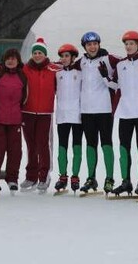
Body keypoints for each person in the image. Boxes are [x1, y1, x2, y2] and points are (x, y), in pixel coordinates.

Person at [103, 31, 138, 196]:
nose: (128, 46)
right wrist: (105, 78)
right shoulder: (120, 65)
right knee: (124, 148)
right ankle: (126, 181)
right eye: (126, 44)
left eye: (132, 43)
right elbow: (115, 85)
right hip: (124, 112)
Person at [78, 31, 119, 194]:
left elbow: (128, 61)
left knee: (106, 143)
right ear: (85, 47)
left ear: (99, 44)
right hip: (87, 110)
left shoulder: (107, 59)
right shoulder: (81, 62)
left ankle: (109, 178)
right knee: (90, 144)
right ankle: (91, 177)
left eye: (95, 44)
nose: (92, 47)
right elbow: (62, 65)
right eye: (89, 45)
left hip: (104, 109)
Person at [21, 38, 60, 193]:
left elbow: (70, 68)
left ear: (45, 54)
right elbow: (9, 68)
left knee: (43, 145)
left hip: (45, 113)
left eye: (40, 53)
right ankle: (31, 176)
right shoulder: (25, 69)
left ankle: (44, 175)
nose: (37, 55)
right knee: (31, 145)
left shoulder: (54, 69)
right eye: (35, 53)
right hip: (27, 112)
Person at [0, 48, 28, 193]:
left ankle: (12, 178)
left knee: (15, 151)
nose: (11, 61)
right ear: (4, 60)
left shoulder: (22, 77)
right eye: (8, 58)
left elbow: (24, 97)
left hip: (15, 120)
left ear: (18, 61)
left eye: (14, 58)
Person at [54, 44, 83, 192]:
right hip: (62, 115)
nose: (64, 59)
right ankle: (63, 176)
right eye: (62, 56)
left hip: (77, 115)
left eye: (67, 56)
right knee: (62, 146)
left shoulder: (81, 72)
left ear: (73, 57)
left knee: (77, 146)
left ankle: (75, 176)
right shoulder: (57, 73)